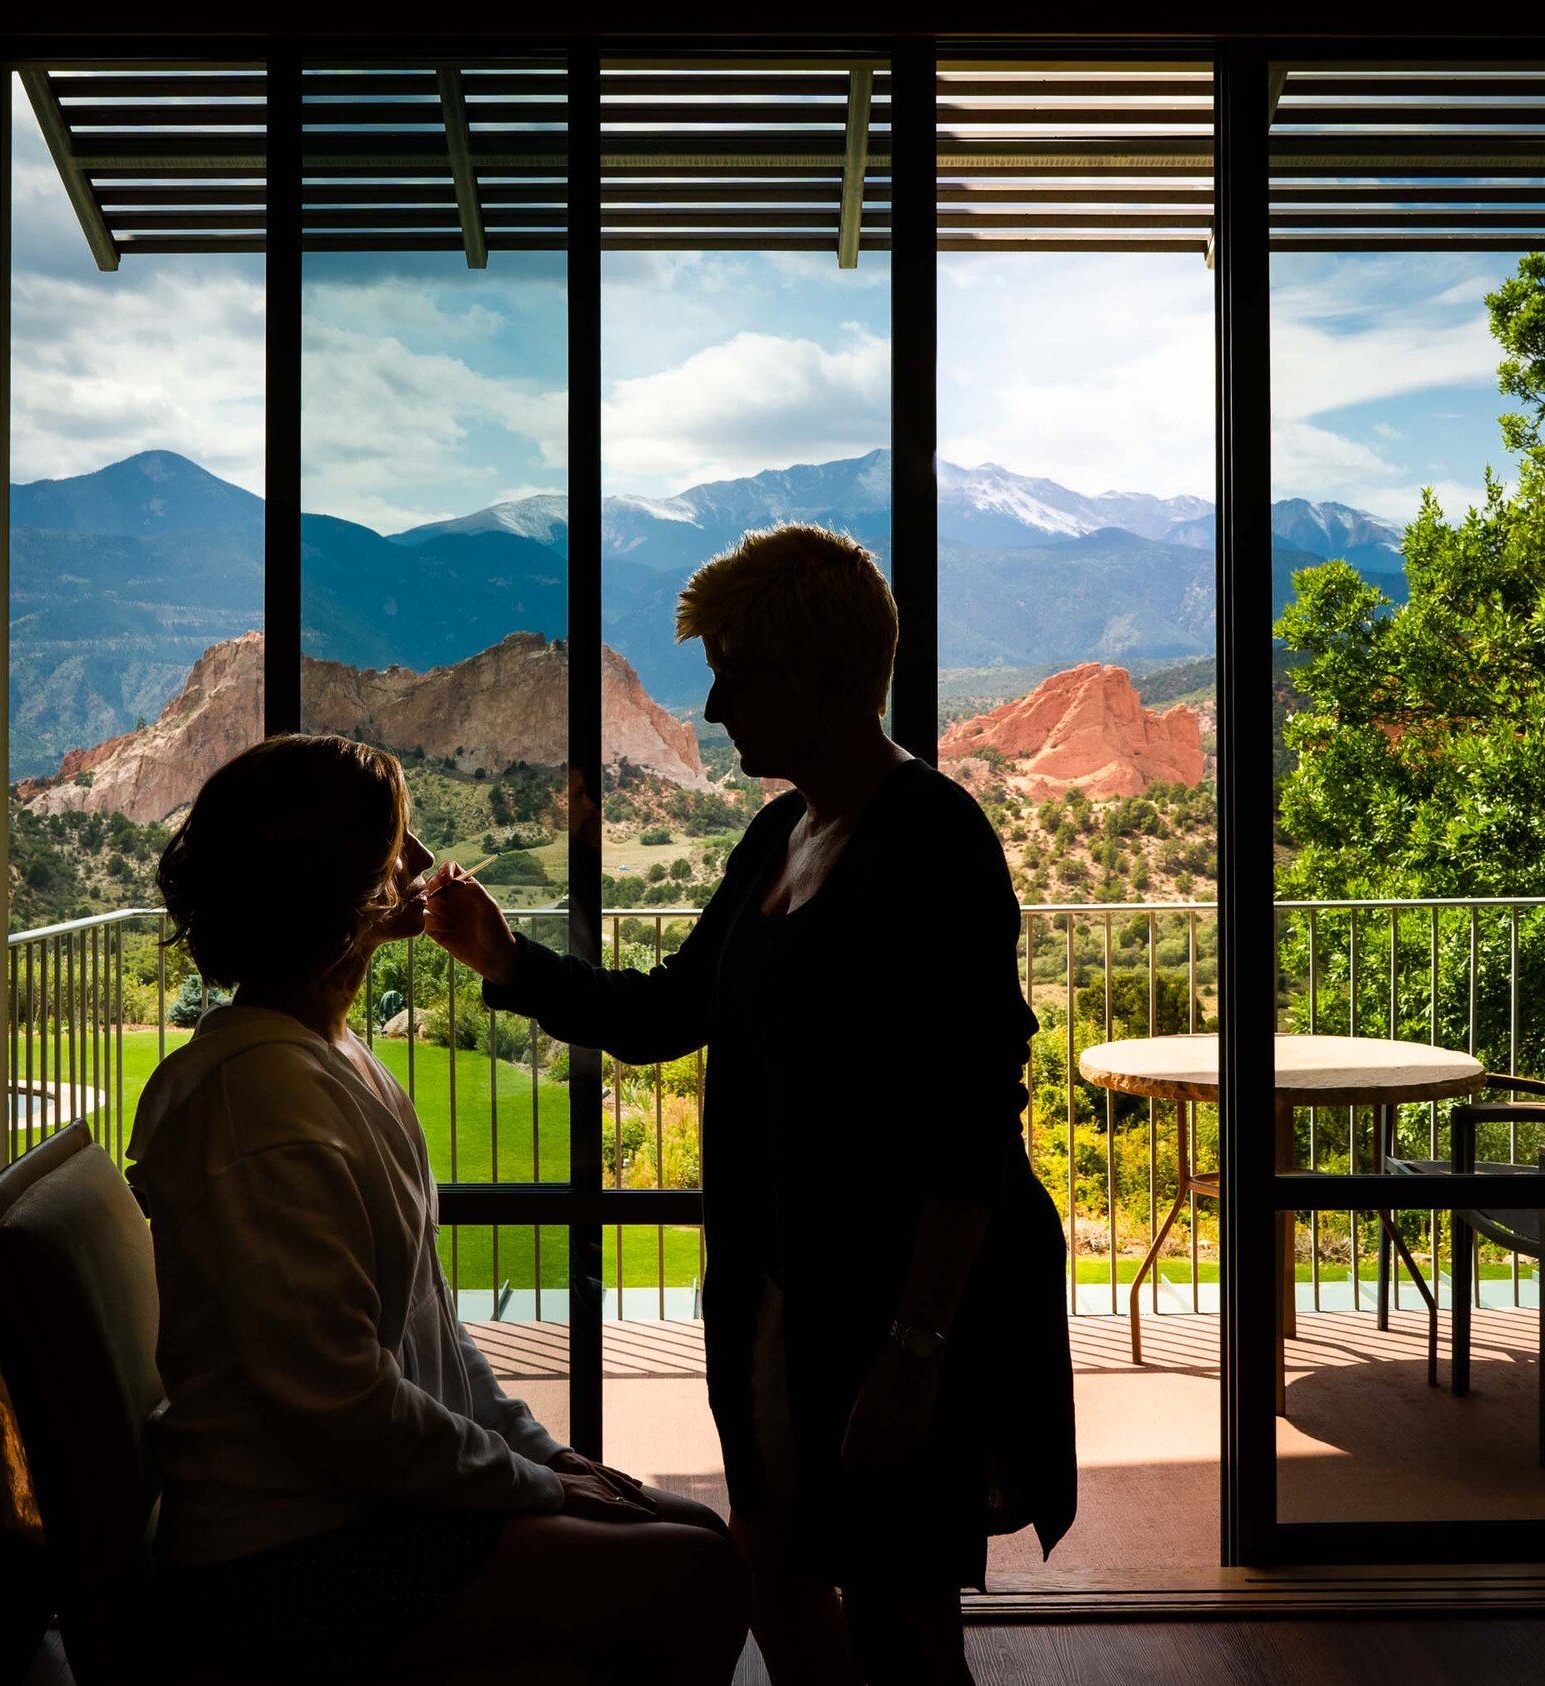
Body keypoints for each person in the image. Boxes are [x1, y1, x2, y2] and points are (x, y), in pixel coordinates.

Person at [425, 526, 1076, 1686]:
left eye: (735, 670)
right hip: (780, 1292)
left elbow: (974, 1115)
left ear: (821, 678)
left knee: (900, 1620)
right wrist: (507, 962)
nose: (713, 704)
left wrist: (915, 1350)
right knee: (771, 1569)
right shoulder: (781, 831)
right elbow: (674, 1009)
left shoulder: (930, 838)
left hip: (893, 1305)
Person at [129, 733, 747, 1684]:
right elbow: (343, 1404)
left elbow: (430, 1327)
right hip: (291, 1557)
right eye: (397, 848)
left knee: (690, 1529)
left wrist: (545, 1454)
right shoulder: (257, 1100)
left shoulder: (334, 1059)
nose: (422, 868)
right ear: (339, 889)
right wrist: (534, 1486)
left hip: (365, 1508)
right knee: (697, 1571)